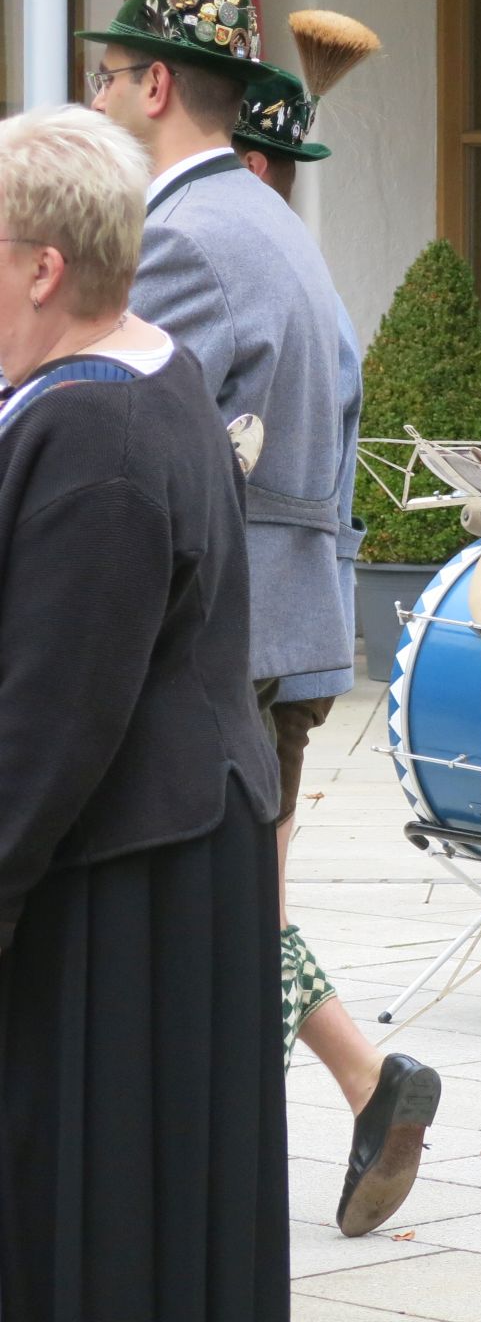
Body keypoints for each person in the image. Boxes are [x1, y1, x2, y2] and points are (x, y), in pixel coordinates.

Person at [81, 0, 439, 1237]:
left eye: (107, 77)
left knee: (189, 918)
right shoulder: (261, 218)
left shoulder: (185, 234)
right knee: (236, 909)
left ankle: (200, 1178)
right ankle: (358, 1087)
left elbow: (131, 450)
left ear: (156, 86)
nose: (96, 98)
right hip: (275, 627)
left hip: (211, 634)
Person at [0, 104, 288, 1320]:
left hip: (126, 877)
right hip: (163, 846)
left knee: (104, 1217)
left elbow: (48, 726)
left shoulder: (98, 433)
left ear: (42, 269)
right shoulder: (142, 364)